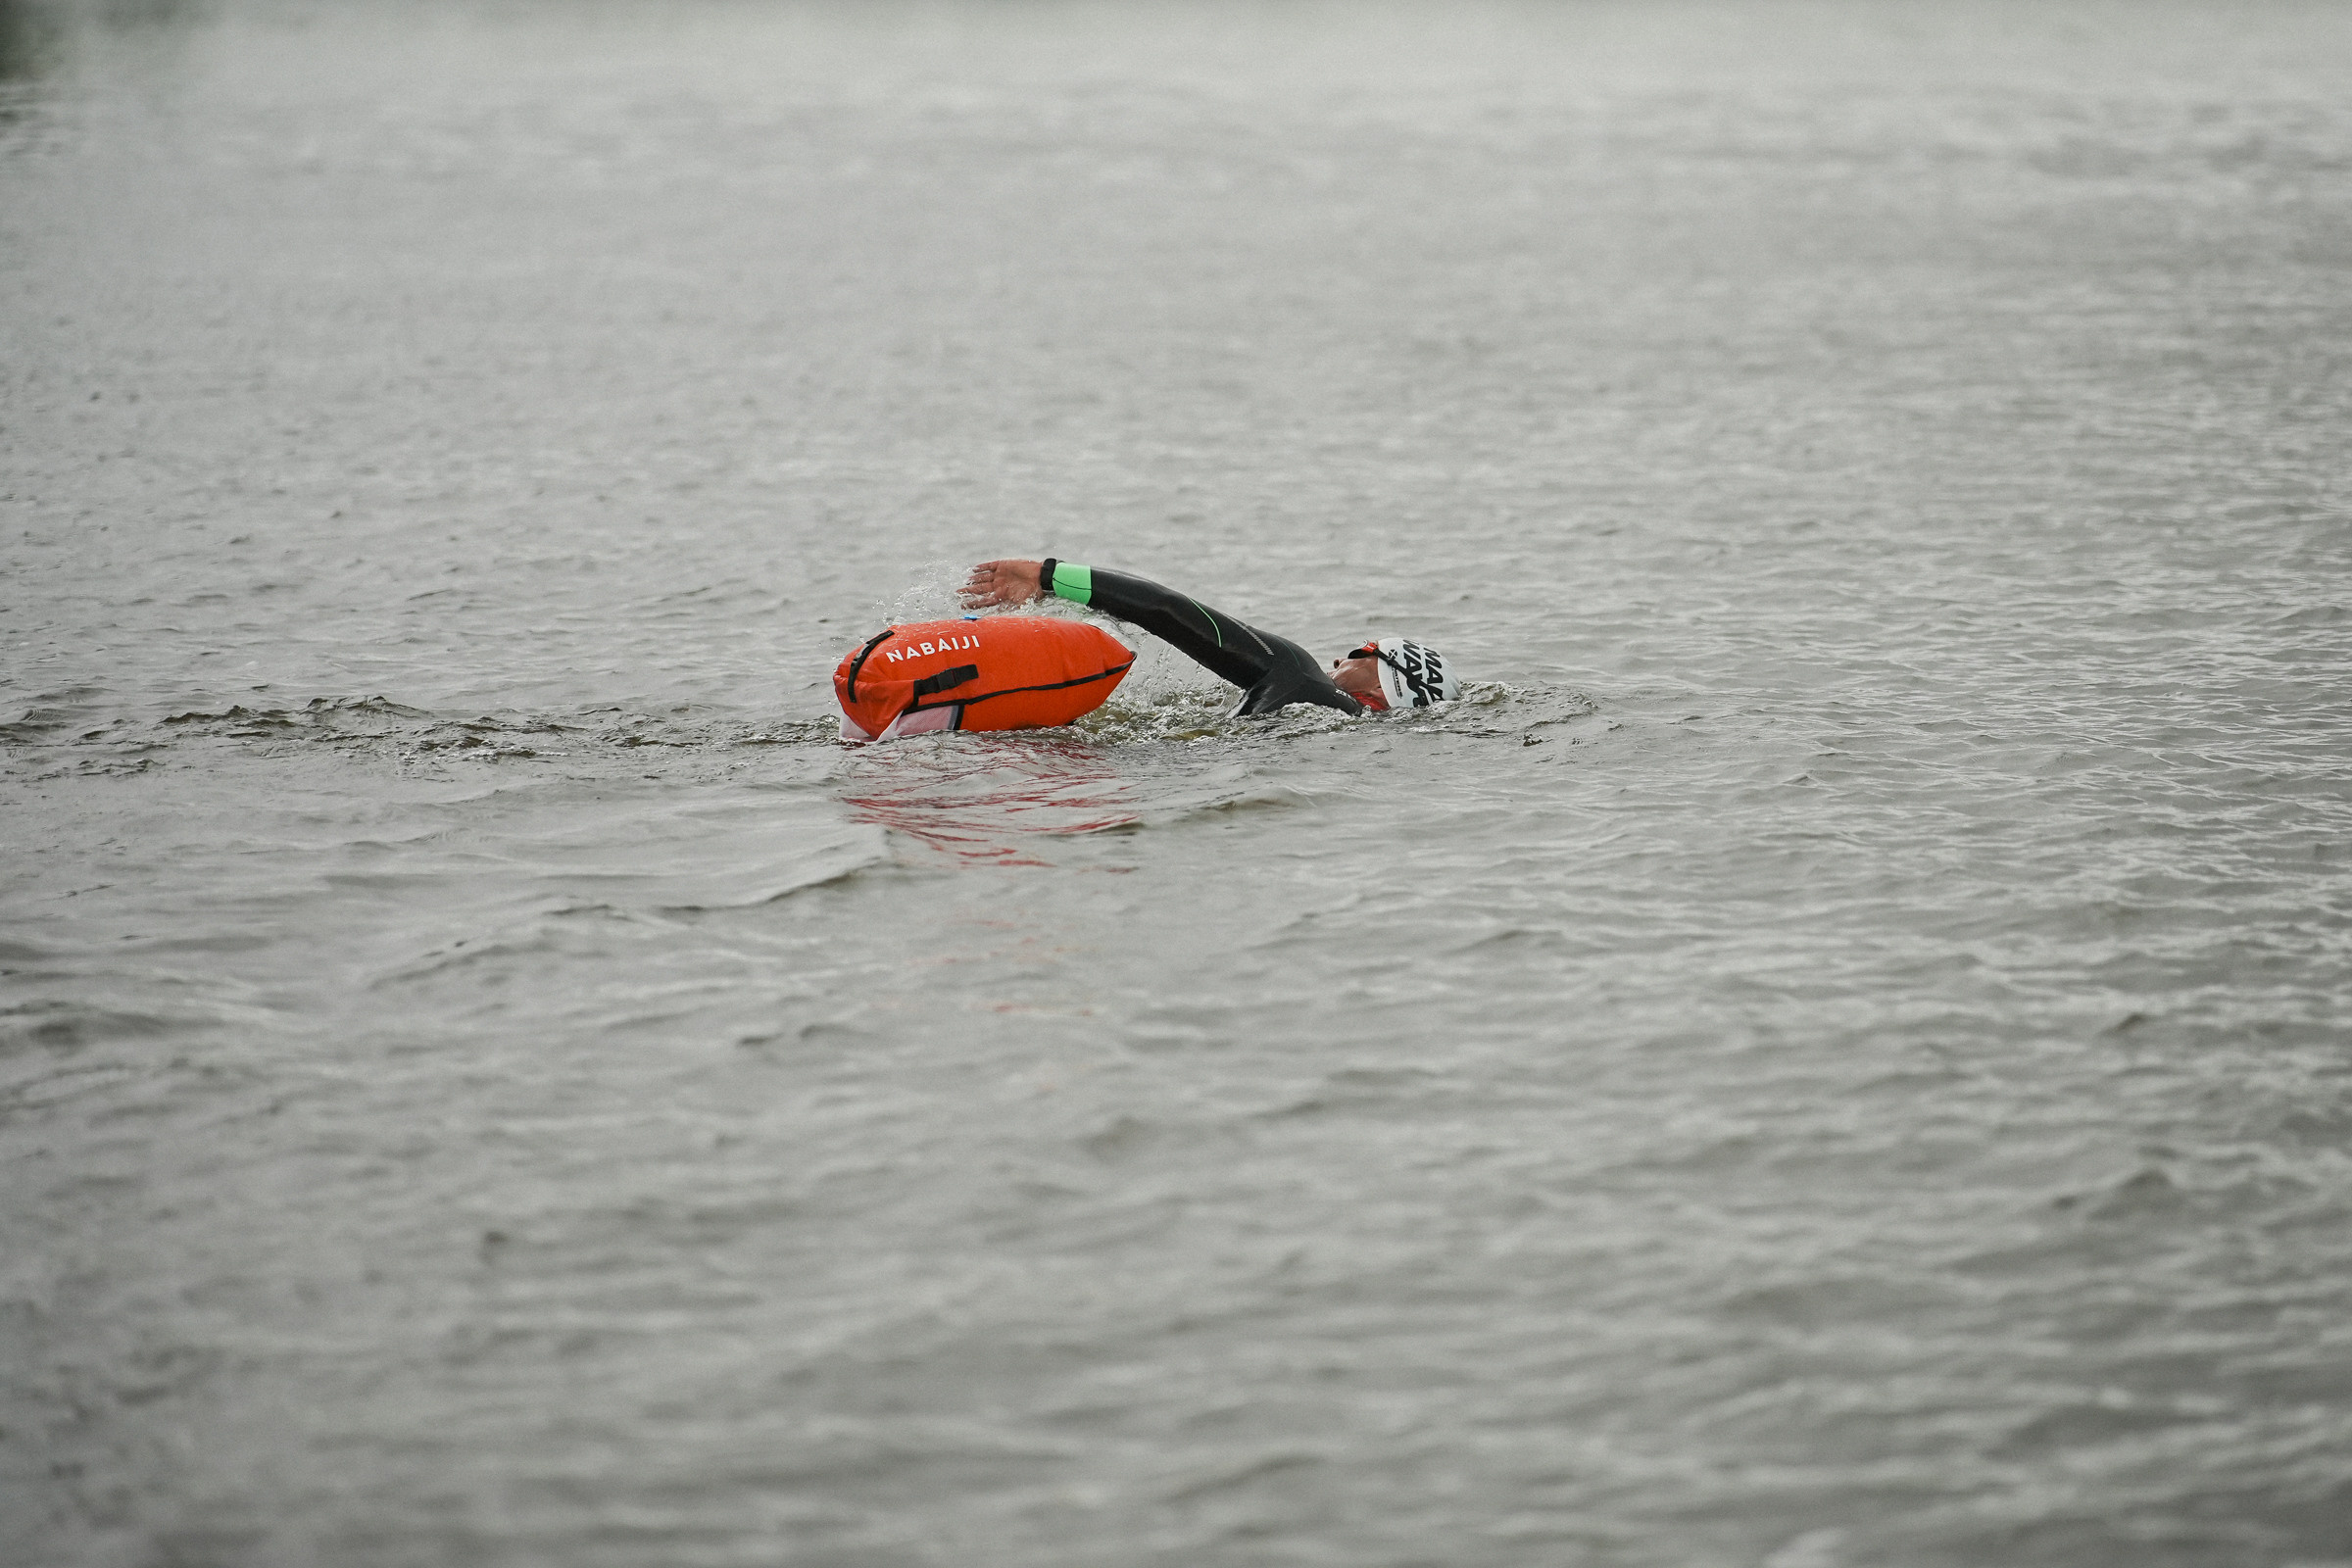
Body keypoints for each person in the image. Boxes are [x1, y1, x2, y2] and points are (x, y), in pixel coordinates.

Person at [959, 558, 1458, 717]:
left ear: (1382, 691)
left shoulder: (1297, 674)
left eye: (1364, 653)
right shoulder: (1340, 721)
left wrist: (1048, 575)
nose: (1341, 654)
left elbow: (1169, 611)